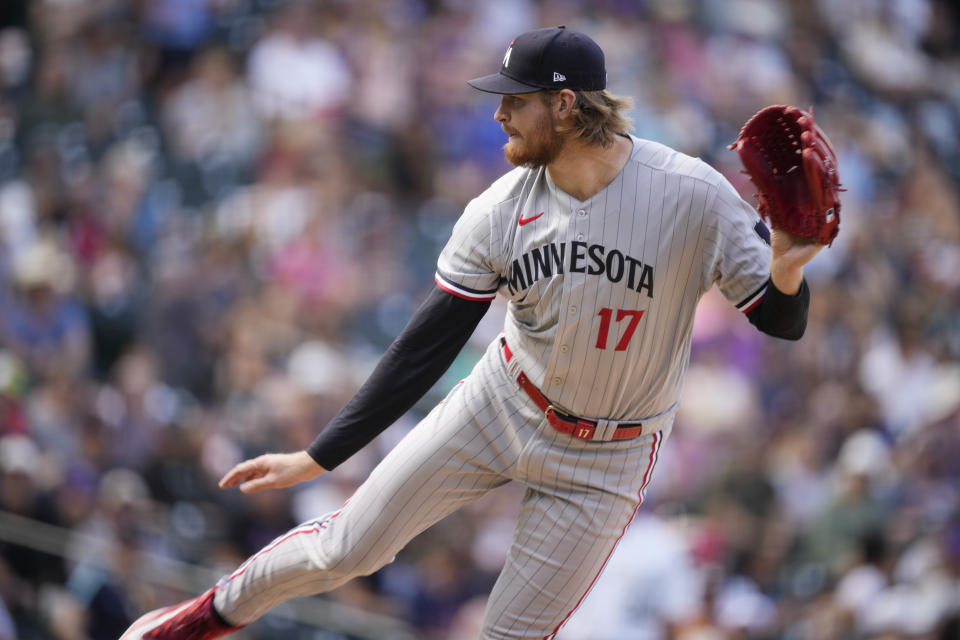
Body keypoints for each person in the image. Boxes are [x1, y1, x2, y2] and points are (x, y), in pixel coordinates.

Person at [121, 26, 822, 640]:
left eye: (515, 100)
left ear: (566, 105)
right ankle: (200, 620)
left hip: (609, 457)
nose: (499, 114)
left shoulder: (692, 195)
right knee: (346, 549)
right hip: (504, 402)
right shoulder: (499, 209)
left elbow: (777, 320)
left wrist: (787, 269)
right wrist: (320, 455)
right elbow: (425, 346)